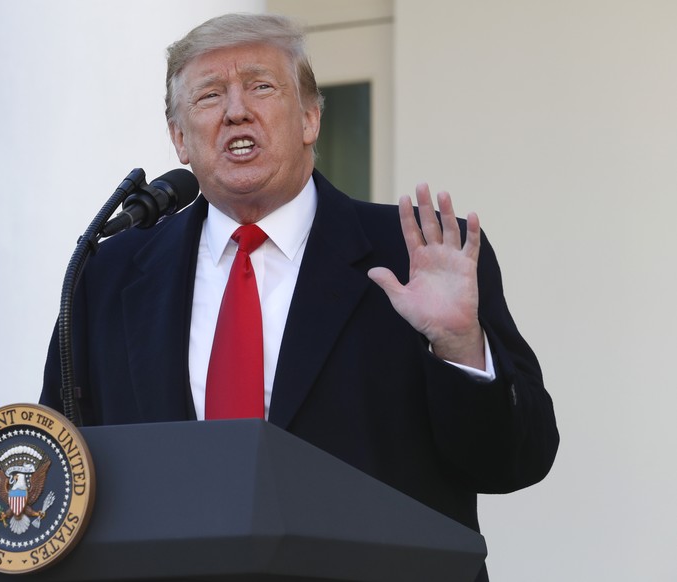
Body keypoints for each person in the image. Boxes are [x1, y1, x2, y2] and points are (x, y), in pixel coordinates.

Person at [41, 13, 558, 581]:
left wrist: (459, 345)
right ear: (179, 139)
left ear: (310, 117)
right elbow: (62, 479)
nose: (236, 110)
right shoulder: (109, 275)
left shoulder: (420, 255)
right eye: (210, 95)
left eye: (261, 86)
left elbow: (516, 461)